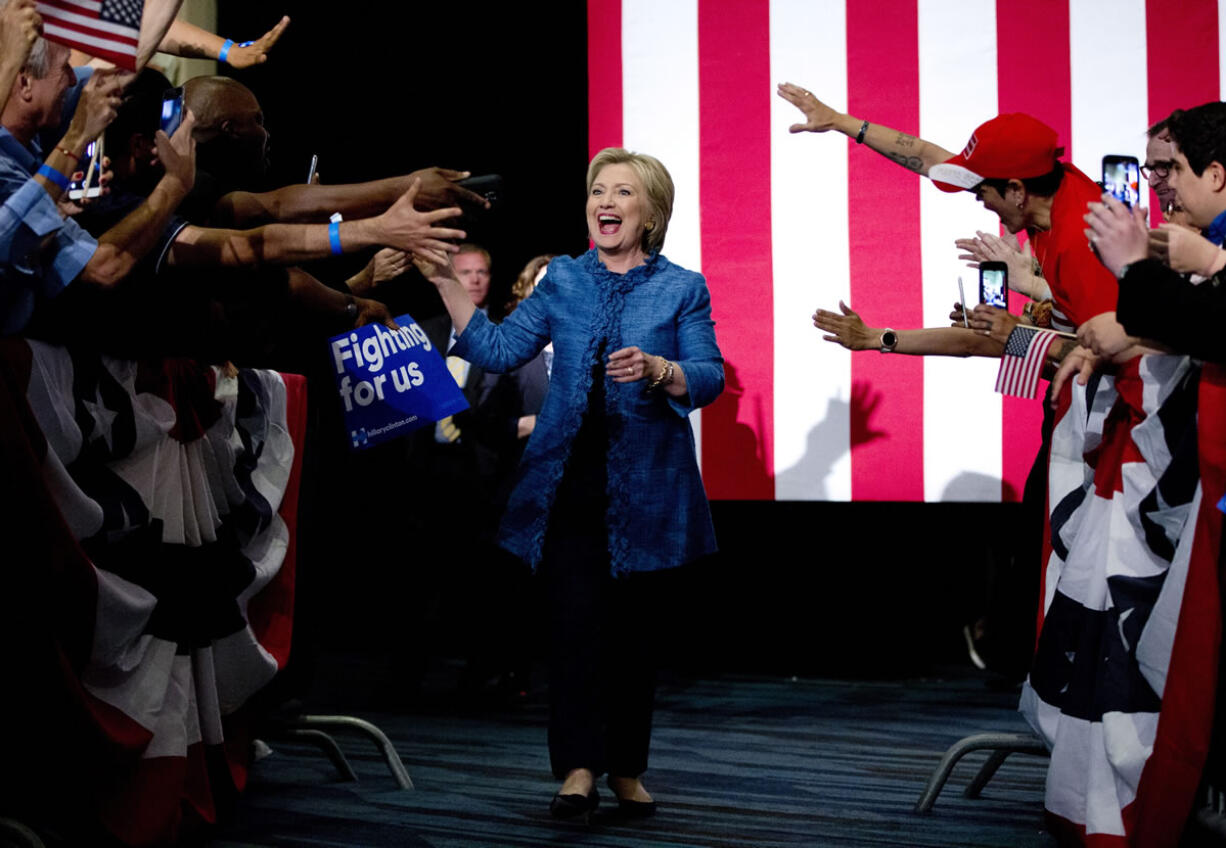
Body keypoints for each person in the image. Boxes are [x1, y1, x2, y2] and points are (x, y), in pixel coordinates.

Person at [413, 147, 723, 820]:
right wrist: (443, 285)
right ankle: (579, 769)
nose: (605, 202)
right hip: (567, 485)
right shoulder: (562, 282)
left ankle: (629, 770)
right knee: (575, 630)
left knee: (634, 639)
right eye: (597, 191)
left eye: (622, 192)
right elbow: (495, 350)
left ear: (651, 211)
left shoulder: (683, 288)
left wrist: (659, 368)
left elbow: (709, 376)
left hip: (648, 488)